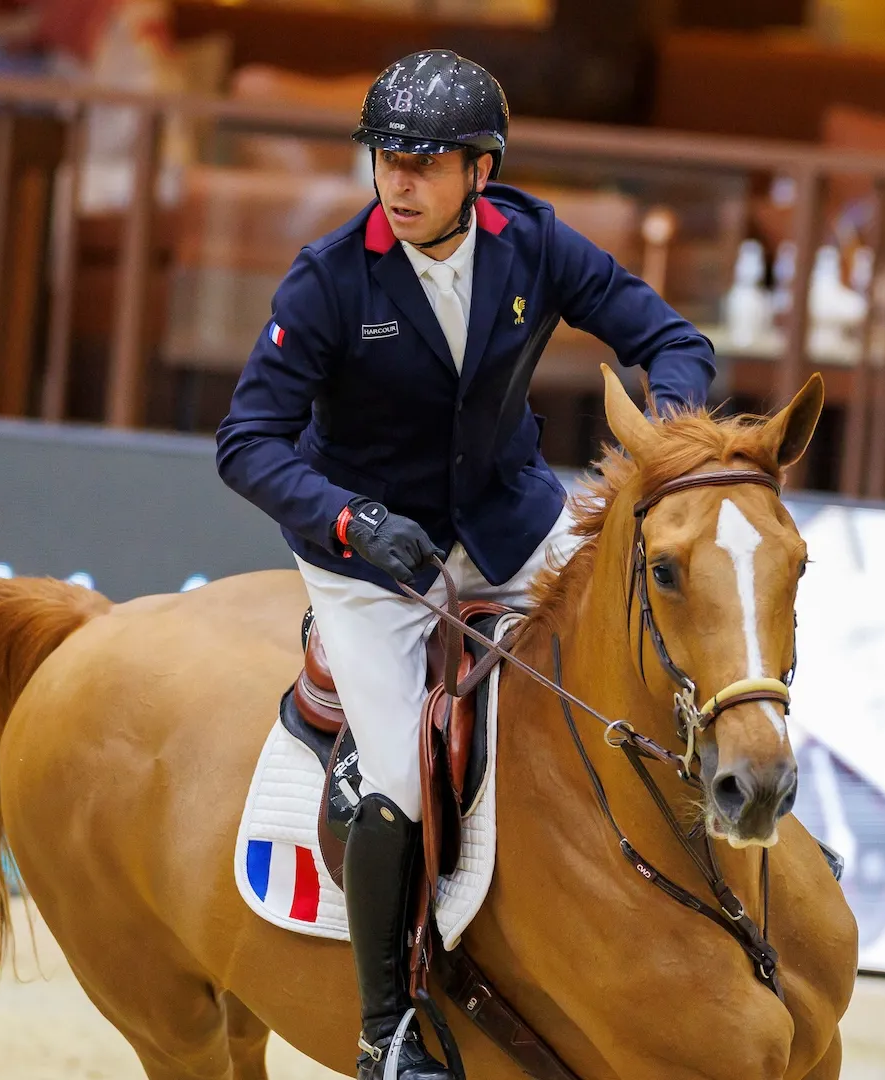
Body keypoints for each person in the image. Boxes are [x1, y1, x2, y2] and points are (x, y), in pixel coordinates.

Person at [214, 50, 714, 1080]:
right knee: (398, 768)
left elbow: (672, 343)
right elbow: (247, 443)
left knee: (657, 653)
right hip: (370, 563)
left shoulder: (532, 244)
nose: (398, 182)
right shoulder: (328, 279)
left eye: (426, 162)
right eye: (386, 158)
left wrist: (668, 442)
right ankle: (387, 1027)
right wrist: (350, 523)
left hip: (510, 526)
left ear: (479, 172)